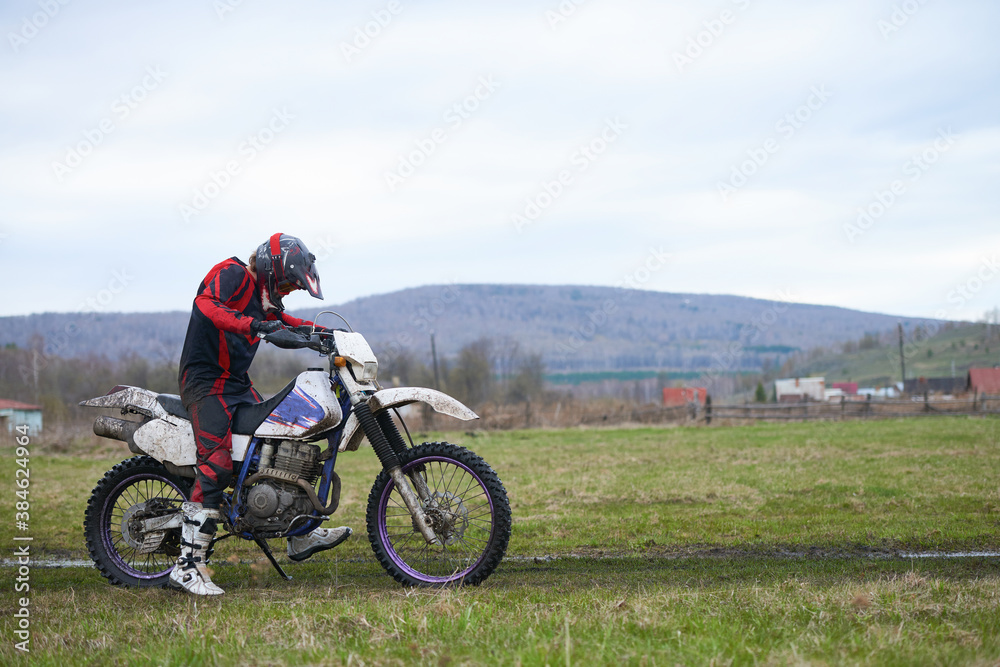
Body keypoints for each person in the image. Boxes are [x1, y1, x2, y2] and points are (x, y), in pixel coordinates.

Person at [169, 233, 351, 596]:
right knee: (217, 464)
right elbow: (206, 305)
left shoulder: (266, 300)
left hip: (235, 383)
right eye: (286, 282)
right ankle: (187, 567)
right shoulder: (231, 273)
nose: (286, 290)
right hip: (206, 385)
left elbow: (284, 321)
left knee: (282, 438)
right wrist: (254, 326)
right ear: (270, 269)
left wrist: (326, 334)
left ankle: (298, 532)